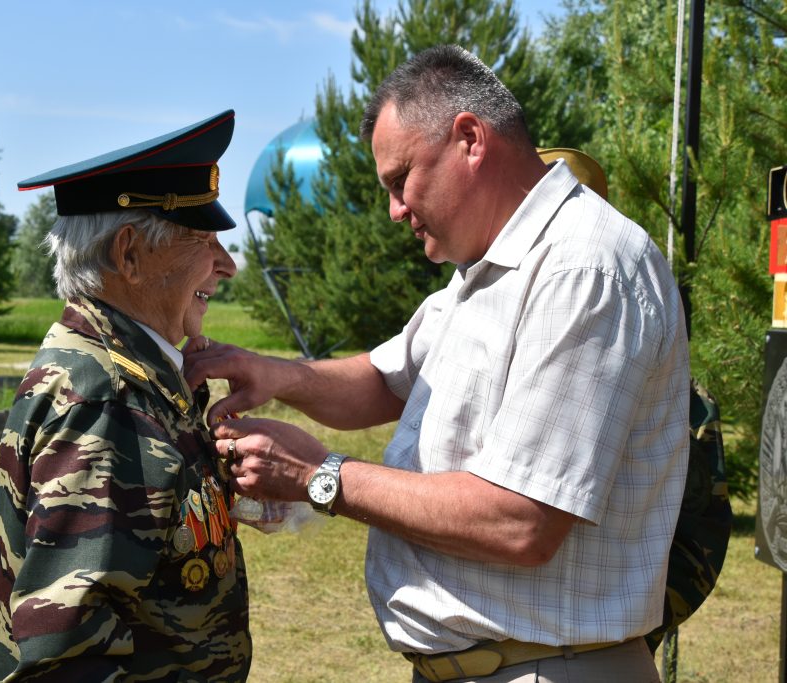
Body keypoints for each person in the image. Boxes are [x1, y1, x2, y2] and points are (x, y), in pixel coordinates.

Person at [184, 45, 689, 682]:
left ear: (470, 140)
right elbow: (384, 379)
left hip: (548, 668)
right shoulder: (487, 268)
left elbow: (521, 521)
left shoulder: (581, 267)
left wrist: (317, 474)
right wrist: (277, 374)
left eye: (401, 179)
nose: (395, 209)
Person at [0, 110, 250, 682]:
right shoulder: (107, 398)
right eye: (204, 240)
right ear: (129, 255)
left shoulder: (127, 371)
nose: (226, 265)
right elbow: (69, 659)